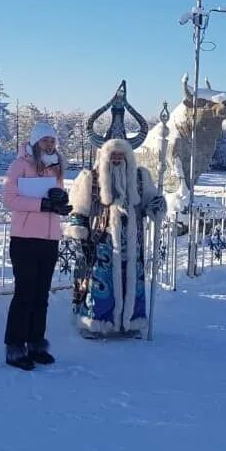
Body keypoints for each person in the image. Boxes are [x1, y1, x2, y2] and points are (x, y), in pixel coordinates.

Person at [64, 131, 166, 337]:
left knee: (131, 281)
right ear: (105, 156)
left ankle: (130, 323)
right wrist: (79, 230)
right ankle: (95, 323)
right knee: (100, 282)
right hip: (101, 238)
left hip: (132, 238)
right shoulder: (90, 178)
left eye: (121, 155)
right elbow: (79, 208)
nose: (117, 159)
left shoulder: (140, 177)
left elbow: (148, 203)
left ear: (129, 157)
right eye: (113, 155)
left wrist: (157, 205)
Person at [2, 122, 73, 370]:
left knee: (41, 294)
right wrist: (43, 205)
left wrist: (61, 206)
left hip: (49, 238)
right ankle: (15, 346)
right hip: (24, 238)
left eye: (52, 141)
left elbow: (57, 196)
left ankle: (36, 343)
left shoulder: (55, 168)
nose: (49, 144)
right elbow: (10, 199)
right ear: (34, 142)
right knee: (25, 293)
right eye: (45, 140)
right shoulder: (20, 165)